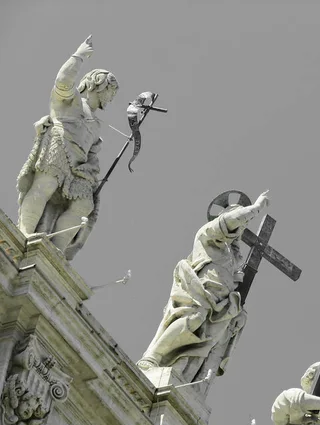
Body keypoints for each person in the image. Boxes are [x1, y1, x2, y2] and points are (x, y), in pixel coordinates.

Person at [137, 191, 270, 378]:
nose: (241, 227)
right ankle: (152, 358)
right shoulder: (208, 232)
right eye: (240, 222)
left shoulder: (231, 255)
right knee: (194, 317)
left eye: (244, 225)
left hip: (221, 298)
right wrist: (255, 209)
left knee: (208, 338)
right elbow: (229, 222)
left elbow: (236, 252)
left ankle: (181, 369)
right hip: (201, 288)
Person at [16, 35, 118, 257]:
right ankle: (23, 233)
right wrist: (79, 56)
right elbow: (63, 81)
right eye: (110, 92)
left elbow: (93, 154)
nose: (111, 98)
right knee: (45, 187)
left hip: (80, 166)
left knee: (84, 206)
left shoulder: (97, 125)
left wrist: (92, 172)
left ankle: (56, 249)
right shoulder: (71, 100)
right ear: (97, 85)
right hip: (59, 145)